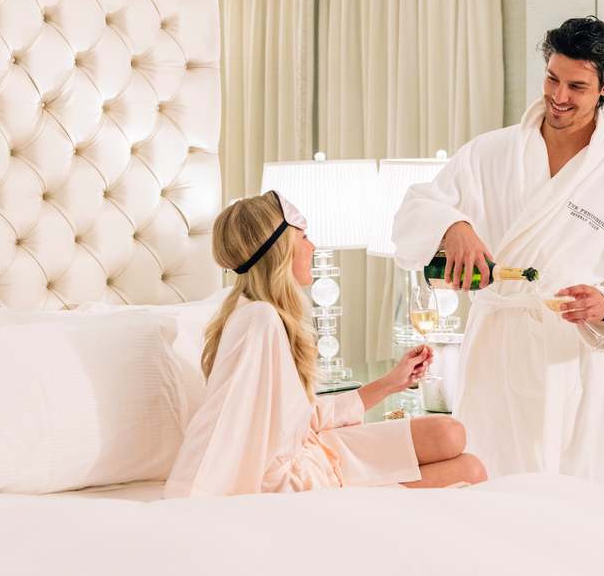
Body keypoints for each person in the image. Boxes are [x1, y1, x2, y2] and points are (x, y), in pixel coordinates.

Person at [391, 17, 604, 484]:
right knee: (487, 479)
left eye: (577, 86)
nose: (559, 96)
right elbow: (415, 211)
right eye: (552, 78)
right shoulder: (491, 153)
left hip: (566, 357)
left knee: (567, 489)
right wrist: (452, 225)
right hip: (495, 346)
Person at [164, 191, 486, 497]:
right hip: (297, 480)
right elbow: (226, 428)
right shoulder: (259, 321)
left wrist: (390, 383)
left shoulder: (268, 315)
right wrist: (196, 503)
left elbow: (298, 418)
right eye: (304, 237)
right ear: (282, 247)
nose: (313, 247)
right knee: (469, 470)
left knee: (450, 432)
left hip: (317, 449)